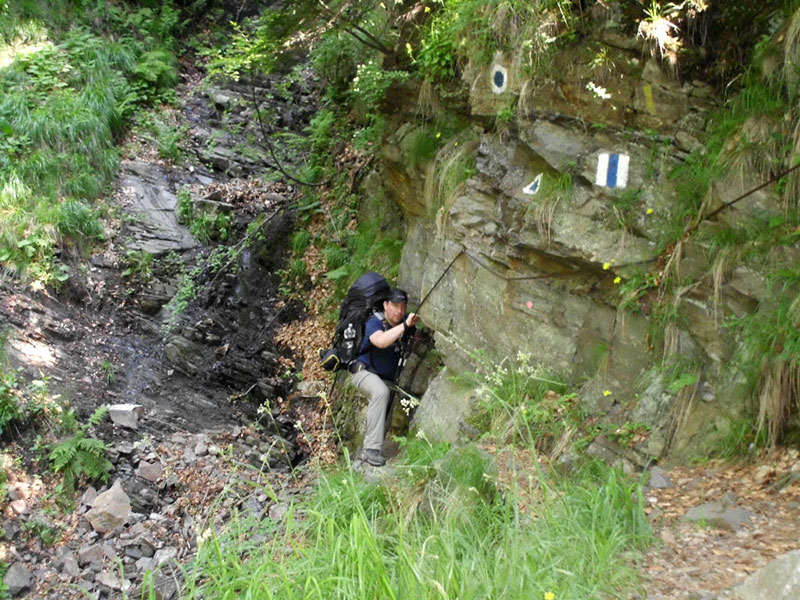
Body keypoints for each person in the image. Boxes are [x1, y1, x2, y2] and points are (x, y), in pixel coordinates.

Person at [349, 288, 420, 466]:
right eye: (395, 306)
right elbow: (381, 342)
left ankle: (366, 456)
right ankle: (371, 450)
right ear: (385, 305)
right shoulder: (375, 322)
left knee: (385, 409)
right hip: (362, 372)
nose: (399, 311)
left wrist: (413, 330)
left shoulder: (405, 324)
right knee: (380, 392)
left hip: (386, 378)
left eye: (403, 307)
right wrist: (405, 326)